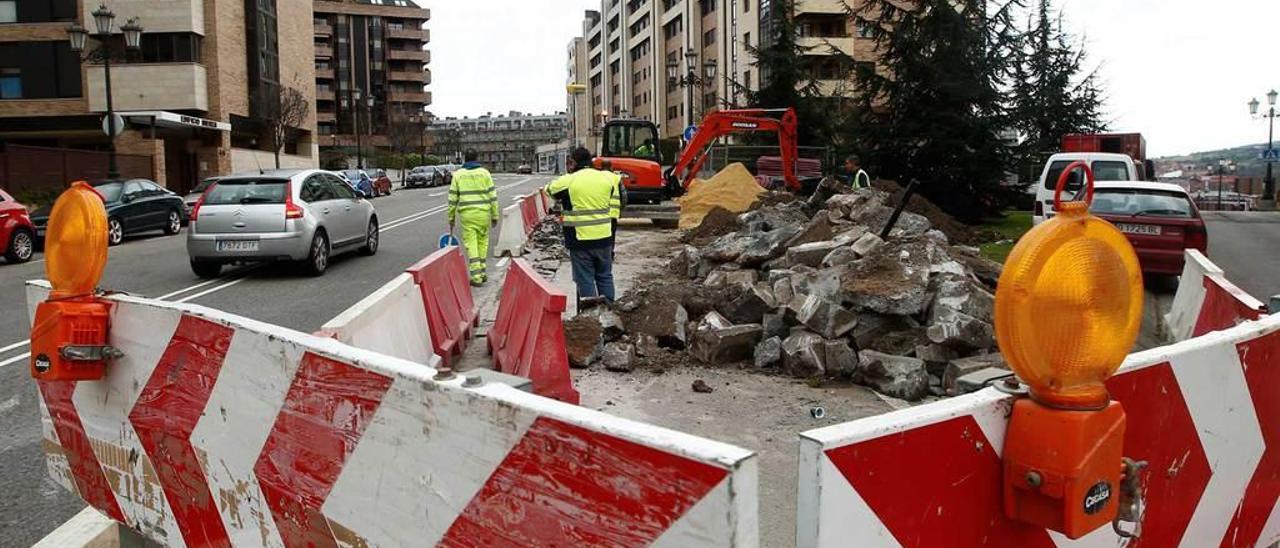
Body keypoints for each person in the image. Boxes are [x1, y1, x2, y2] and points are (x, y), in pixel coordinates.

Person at [547, 147, 622, 302]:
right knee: (605, 275)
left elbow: (550, 190)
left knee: (585, 278)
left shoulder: (570, 180)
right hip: (604, 237)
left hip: (580, 239)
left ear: (573, 162)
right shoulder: (606, 178)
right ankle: (609, 312)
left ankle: (591, 317)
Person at [447, 150, 499, 286]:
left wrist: (451, 217)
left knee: (471, 244)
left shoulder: (458, 175)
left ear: (465, 158)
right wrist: (495, 215)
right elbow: (493, 196)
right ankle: (482, 272)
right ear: (477, 158)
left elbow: (452, 199)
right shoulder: (485, 173)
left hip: (467, 215)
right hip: (483, 214)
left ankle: (476, 277)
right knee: (483, 242)